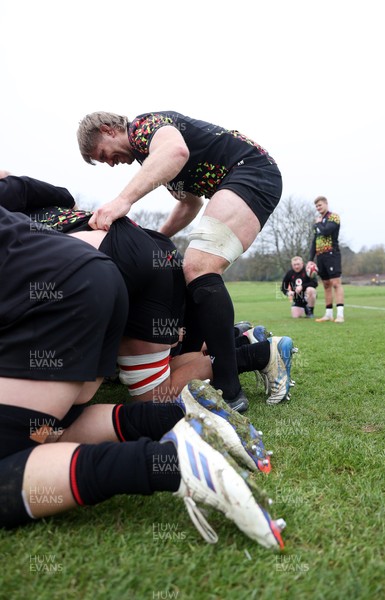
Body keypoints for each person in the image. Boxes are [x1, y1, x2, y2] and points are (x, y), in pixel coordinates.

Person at [0, 205, 286, 549]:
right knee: (51, 422)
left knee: (16, 450)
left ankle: (172, 461)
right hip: (102, 273)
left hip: (81, 278)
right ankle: (181, 415)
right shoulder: (35, 208)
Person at [0, 172, 296, 408]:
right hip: (144, 244)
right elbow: (61, 195)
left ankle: (257, 355)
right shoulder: (32, 205)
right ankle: (248, 346)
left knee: (151, 394)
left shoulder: (20, 236)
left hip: (109, 261)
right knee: (162, 364)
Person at [77, 111, 284, 411]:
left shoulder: (143, 127)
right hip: (241, 176)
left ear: (109, 130)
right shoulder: (149, 156)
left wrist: (123, 200)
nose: (110, 163)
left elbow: (176, 151)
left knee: (199, 267)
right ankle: (228, 347)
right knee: (192, 270)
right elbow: (190, 203)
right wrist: (155, 238)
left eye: (103, 155)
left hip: (250, 171)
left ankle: (229, 388)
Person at [309, 196, 345, 323]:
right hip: (320, 256)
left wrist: (318, 223)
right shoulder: (317, 222)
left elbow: (326, 231)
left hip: (332, 254)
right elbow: (314, 241)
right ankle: (328, 313)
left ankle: (340, 314)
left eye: (320, 205)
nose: (318, 208)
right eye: (317, 206)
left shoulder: (333, 217)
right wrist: (310, 259)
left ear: (326, 204)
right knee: (326, 285)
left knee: (336, 283)